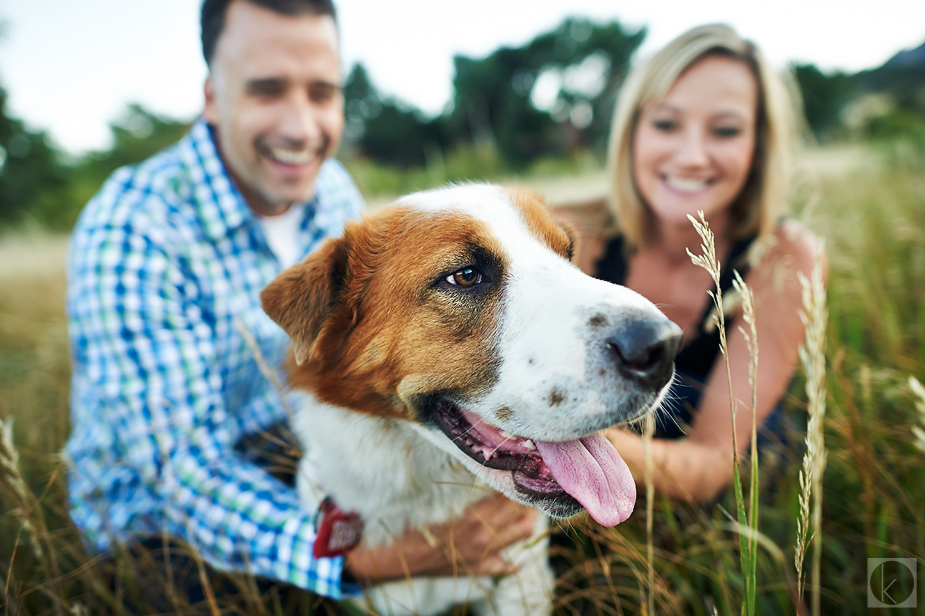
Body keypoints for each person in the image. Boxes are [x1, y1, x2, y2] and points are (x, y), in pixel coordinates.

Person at [65, 0, 535, 606]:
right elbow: (184, 472)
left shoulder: (329, 186)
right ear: (212, 96)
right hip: (161, 526)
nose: (301, 127)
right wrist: (373, 560)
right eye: (266, 91)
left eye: (322, 92)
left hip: (299, 448)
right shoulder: (132, 232)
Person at [554, 24, 826, 504]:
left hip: (723, 509)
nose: (691, 155)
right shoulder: (568, 233)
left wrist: (561, 439)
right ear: (631, 132)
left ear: (758, 146)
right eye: (665, 124)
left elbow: (711, 464)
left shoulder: (786, 258)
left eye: (725, 130)